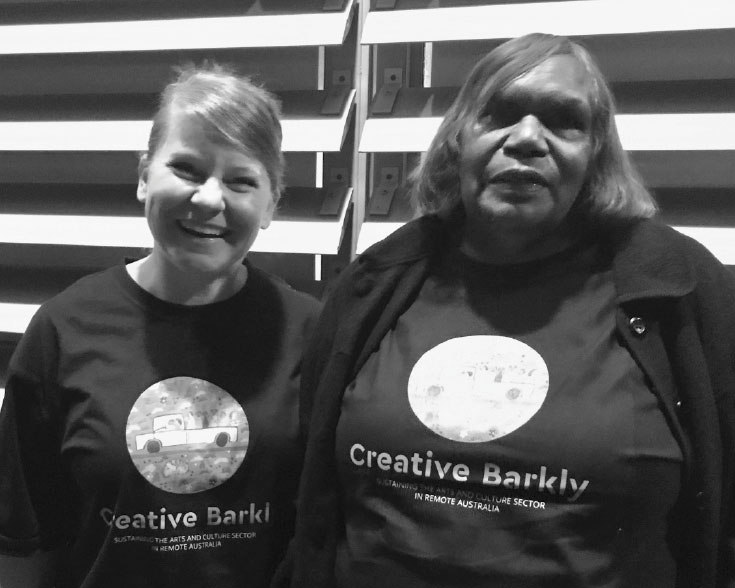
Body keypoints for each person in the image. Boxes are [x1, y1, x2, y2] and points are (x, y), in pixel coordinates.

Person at [289, 33, 735, 588]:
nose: (526, 138)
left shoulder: (676, 290)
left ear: (596, 151)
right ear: (459, 138)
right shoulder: (376, 283)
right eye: (498, 114)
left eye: (563, 120)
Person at [0, 64, 321, 588]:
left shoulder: (311, 333)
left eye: (242, 181)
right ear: (145, 176)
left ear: (271, 205)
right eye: (188, 169)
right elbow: (22, 544)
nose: (210, 199)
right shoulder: (64, 330)